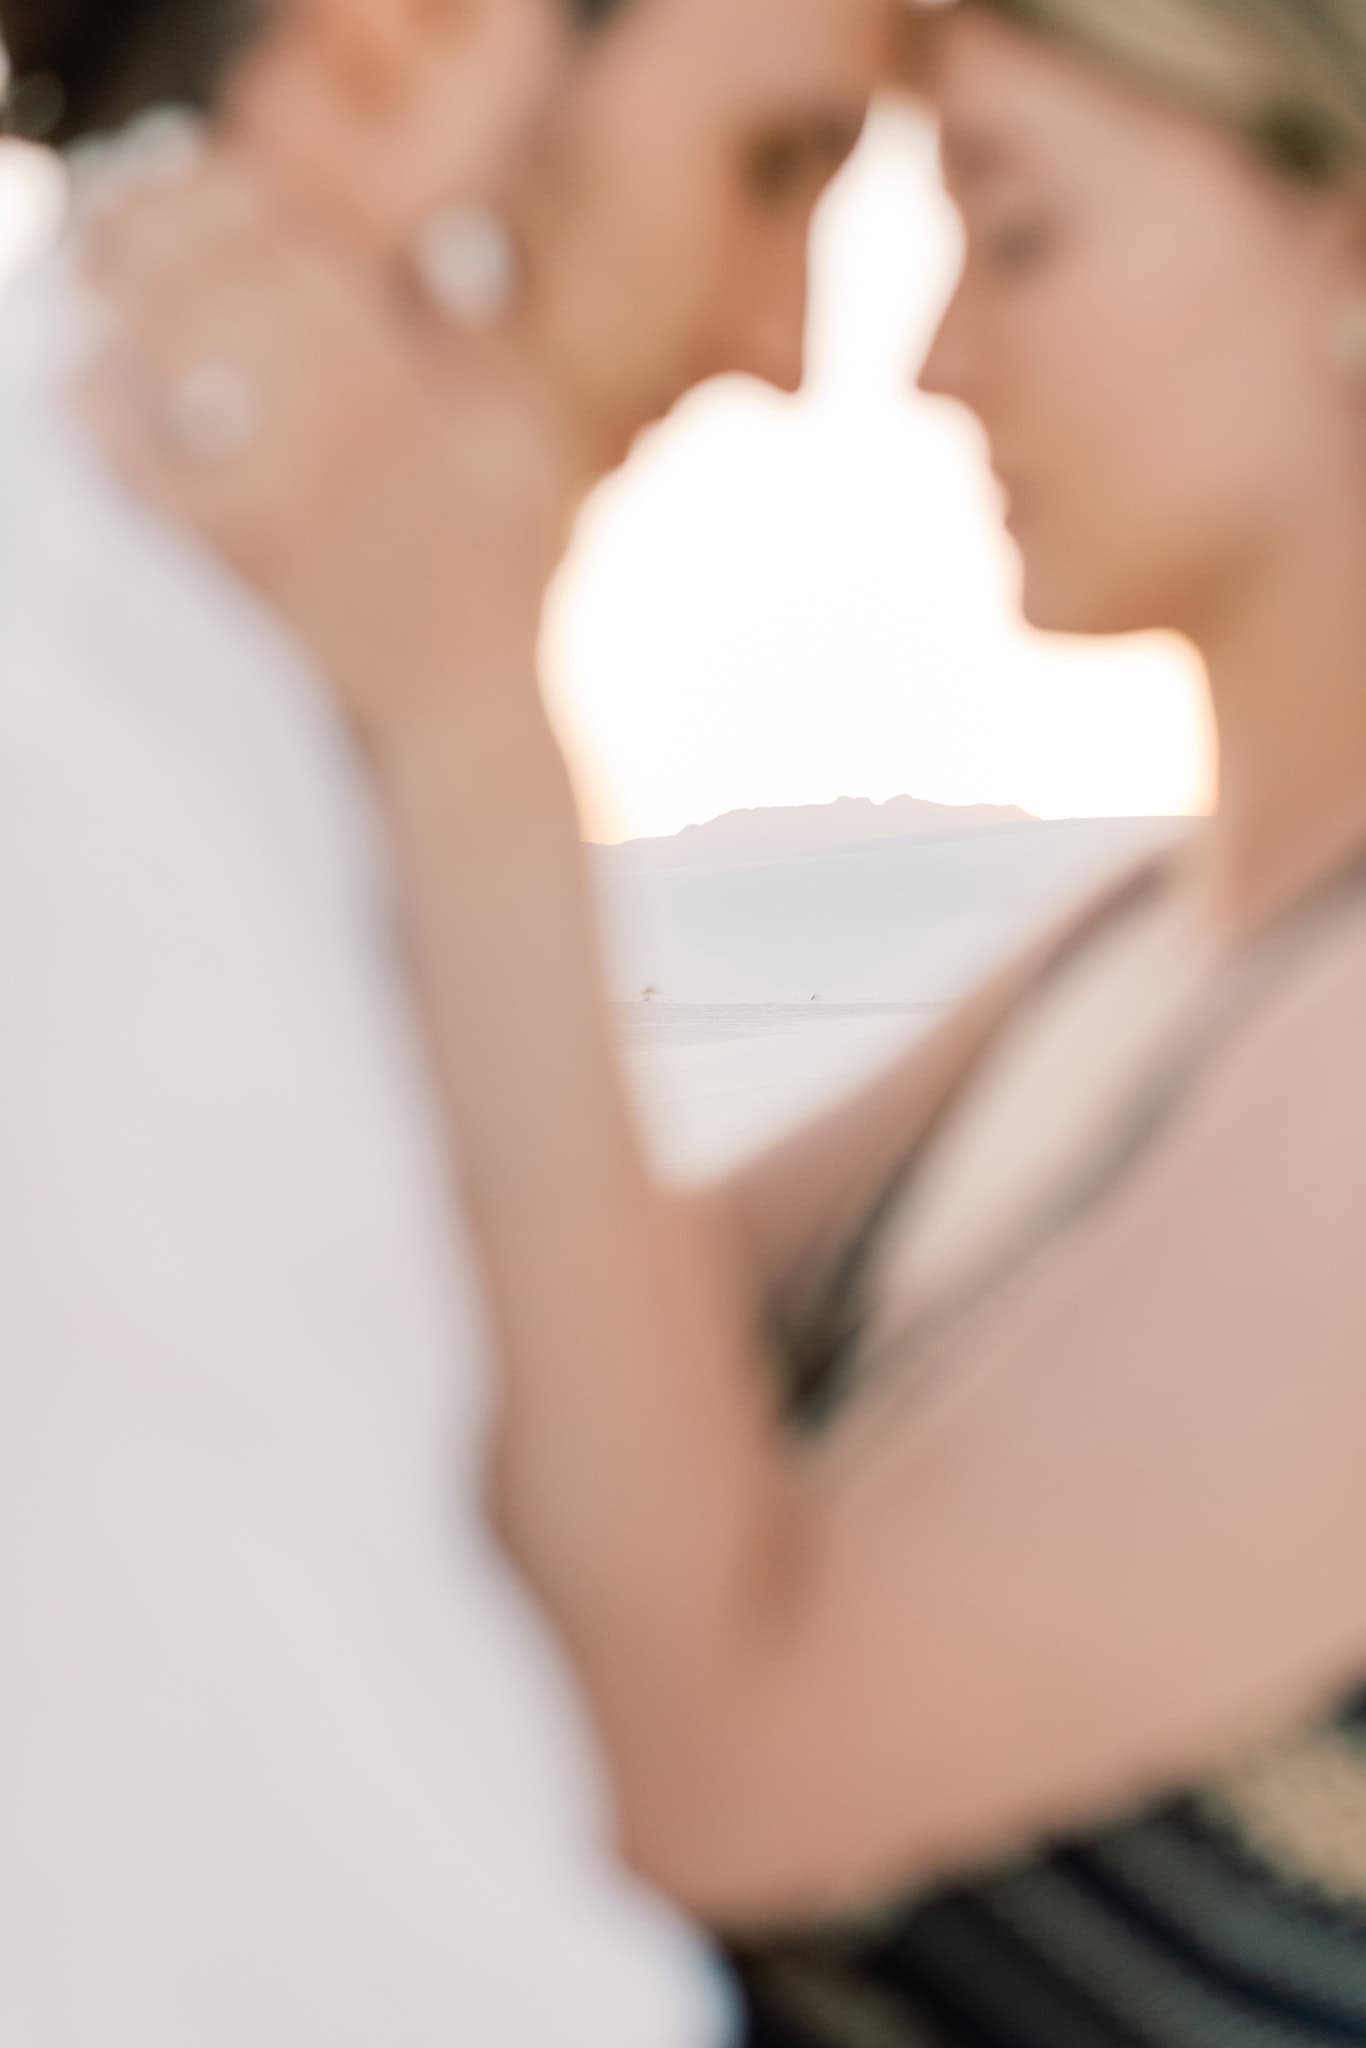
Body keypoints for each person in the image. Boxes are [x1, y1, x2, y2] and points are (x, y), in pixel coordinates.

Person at [75, 0, 1366, 2043]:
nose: (924, 361)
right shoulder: (1134, 943)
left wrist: (470, 691)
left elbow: (710, 1760)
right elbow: (544, 1388)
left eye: (1012, 232)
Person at [0, 0, 893, 2041]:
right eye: (770, 166)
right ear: (400, 49)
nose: (786, 339)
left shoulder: (203, 676)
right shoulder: (98, 776)